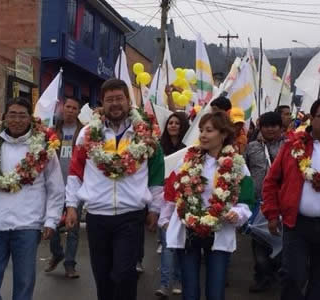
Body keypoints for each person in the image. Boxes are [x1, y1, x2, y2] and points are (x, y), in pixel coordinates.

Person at [65, 79, 164, 300]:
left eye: (119, 98)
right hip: (97, 216)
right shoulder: (88, 133)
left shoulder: (145, 134)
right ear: (102, 102)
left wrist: (155, 209)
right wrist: (71, 206)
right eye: (110, 100)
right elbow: (75, 172)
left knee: (124, 274)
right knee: (102, 276)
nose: (115, 104)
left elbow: (156, 174)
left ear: (129, 101)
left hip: (131, 216)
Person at [0, 97, 64, 300]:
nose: (17, 120)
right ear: (4, 118)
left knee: (24, 284)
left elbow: (55, 187)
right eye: (12, 115)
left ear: (30, 119)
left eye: (22, 115)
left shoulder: (43, 148)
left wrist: (51, 219)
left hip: (27, 226)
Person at [163, 111, 254, 300]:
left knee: (216, 290)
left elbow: (246, 200)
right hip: (189, 230)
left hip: (219, 230)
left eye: (209, 130)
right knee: (189, 290)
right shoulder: (187, 160)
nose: (203, 135)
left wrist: (238, 213)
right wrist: (165, 217)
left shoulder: (237, 165)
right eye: (201, 130)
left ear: (223, 134)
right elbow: (172, 192)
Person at [262, 98, 320, 300]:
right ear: (311, 119)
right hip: (296, 225)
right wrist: (271, 214)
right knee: (293, 276)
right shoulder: (292, 147)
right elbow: (271, 182)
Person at [244, 112, 285, 293]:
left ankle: (275, 274)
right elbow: (244, 171)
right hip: (257, 202)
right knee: (259, 242)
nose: (270, 129)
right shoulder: (251, 147)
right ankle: (261, 276)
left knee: (279, 241)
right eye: (266, 125)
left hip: (281, 202)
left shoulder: (289, 147)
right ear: (260, 127)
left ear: (280, 127)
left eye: (274, 125)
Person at [45, 97, 84, 278]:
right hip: (55, 186)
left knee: (72, 227)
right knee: (51, 222)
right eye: (68, 107)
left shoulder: (84, 132)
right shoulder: (53, 131)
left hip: (75, 186)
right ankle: (57, 253)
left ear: (78, 111)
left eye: (74, 108)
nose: (70, 110)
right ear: (63, 109)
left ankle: (70, 264)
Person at [155, 112, 189, 297]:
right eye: (170, 123)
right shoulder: (160, 148)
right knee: (168, 244)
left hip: (183, 200)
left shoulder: (189, 149)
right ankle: (164, 284)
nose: (173, 126)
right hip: (164, 200)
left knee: (180, 245)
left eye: (177, 123)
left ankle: (178, 279)